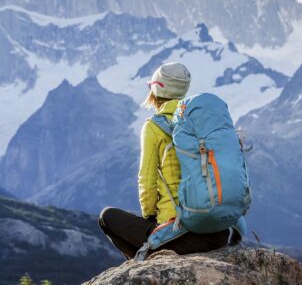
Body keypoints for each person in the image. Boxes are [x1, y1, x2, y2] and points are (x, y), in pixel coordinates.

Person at [98, 62, 230, 259]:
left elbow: (147, 183)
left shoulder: (154, 127)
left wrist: (151, 217)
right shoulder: (202, 122)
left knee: (106, 217)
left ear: (156, 89)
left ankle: (145, 266)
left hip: (180, 234)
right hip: (220, 231)